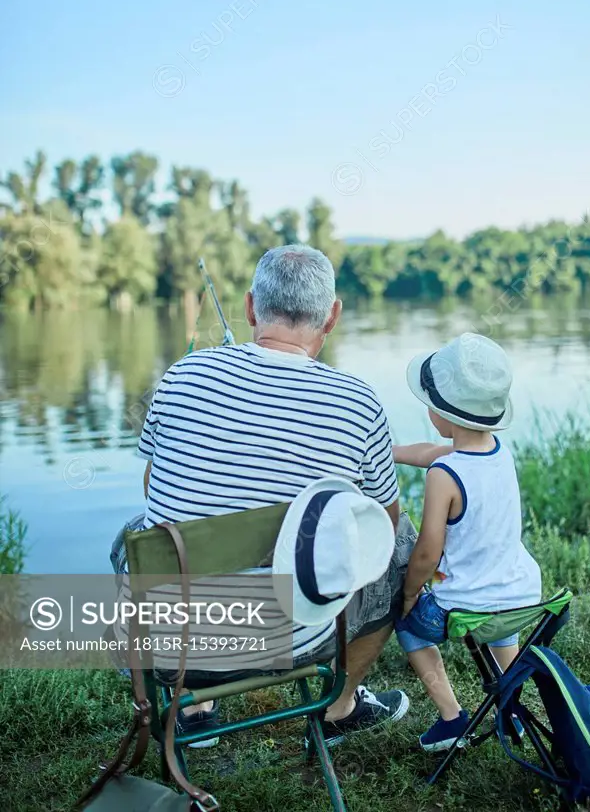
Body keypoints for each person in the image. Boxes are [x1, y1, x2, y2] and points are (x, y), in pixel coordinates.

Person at [137, 244, 415, 746]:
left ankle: (194, 709)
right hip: (299, 636)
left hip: (175, 645)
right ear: (332, 317)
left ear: (250, 308)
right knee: (401, 543)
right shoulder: (359, 402)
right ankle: (339, 706)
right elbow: (385, 525)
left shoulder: (180, 376)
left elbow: (152, 485)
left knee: (142, 534)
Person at [392, 332, 541, 752]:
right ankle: (511, 712)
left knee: (408, 628)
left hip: (470, 607)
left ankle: (451, 718)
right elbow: (431, 453)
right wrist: (390, 450)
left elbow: (427, 552)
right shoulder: (497, 451)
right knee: (499, 627)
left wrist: (408, 595)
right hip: (520, 599)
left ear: (445, 415)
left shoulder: (446, 476)